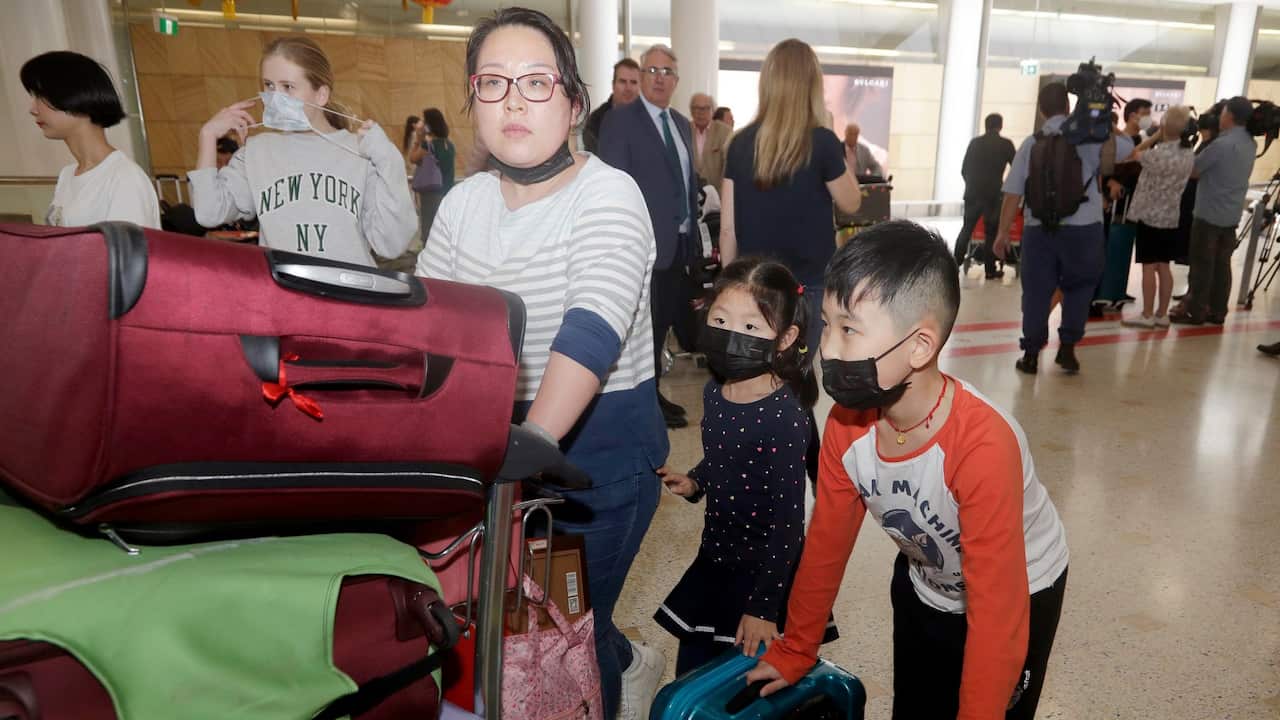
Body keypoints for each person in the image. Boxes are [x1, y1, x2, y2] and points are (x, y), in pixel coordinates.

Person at [413, 9, 668, 720]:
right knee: (504, 618)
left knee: (565, 633)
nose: (515, 99)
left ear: (575, 103)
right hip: (491, 449)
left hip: (591, 458)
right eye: (492, 83)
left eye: (536, 81)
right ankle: (623, 650)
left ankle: (617, 669)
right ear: (472, 102)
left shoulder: (607, 193)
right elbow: (428, 318)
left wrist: (533, 443)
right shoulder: (463, 204)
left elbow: (593, 326)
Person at [746, 221, 1070, 720]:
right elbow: (827, 543)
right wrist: (797, 648)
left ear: (921, 346)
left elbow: (997, 613)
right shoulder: (847, 426)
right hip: (928, 579)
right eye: (827, 324)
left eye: (849, 329)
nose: (828, 349)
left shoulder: (983, 447)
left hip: (1020, 589)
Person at [656, 258, 834, 676]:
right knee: (697, 676)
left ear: (786, 338)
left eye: (751, 328)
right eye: (721, 319)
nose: (732, 335)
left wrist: (763, 608)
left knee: (744, 686)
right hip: (716, 556)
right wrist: (697, 480)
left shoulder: (784, 416)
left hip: (762, 574)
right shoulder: (715, 392)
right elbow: (728, 455)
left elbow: (790, 523)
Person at [718, 38, 862, 485]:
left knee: (763, 376)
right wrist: (846, 153)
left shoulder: (741, 144)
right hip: (808, 289)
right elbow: (853, 203)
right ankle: (807, 467)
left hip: (756, 289)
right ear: (811, 85)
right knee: (795, 382)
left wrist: (728, 290)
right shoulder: (821, 142)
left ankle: (768, 461)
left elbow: (728, 228)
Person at [188, 36, 416, 267]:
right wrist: (207, 136)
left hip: (349, 295)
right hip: (285, 297)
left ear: (321, 95)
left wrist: (389, 160)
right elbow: (209, 213)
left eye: (288, 87)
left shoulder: (361, 152)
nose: (276, 98)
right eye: (269, 85)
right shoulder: (256, 152)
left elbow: (392, 244)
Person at [598, 44, 700, 430]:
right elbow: (614, 185)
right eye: (652, 70)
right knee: (643, 330)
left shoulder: (681, 122)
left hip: (679, 248)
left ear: (676, 80)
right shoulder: (620, 121)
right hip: (643, 247)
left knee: (662, 329)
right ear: (641, 76)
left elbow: (688, 183)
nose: (659, 78)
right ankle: (644, 402)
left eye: (667, 72)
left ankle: (654, 393)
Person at [994, 82, 1105, 376]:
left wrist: (1002, 233)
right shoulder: (1087, 139)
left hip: (1039, 230)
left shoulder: (1032, 143)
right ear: (1068, 107)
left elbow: (1013, 194)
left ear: (1042, 111)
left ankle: (1031, 354)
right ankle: (1067, 350)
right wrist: (1099, 115)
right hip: (1084, 228)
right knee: (1079, 288)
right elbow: (1110, 163)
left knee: (1036, 291)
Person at [21, 51, 161, 229]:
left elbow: (126, 254)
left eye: (40, 96)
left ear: (75, 94)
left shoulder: (123, 178)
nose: (32, 109)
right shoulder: (67, 175)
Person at [1170, 96, 1257, 325]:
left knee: (1201, 265)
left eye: (1223, 112)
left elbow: (1194, 170)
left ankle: (1195, 312)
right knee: (1222, 265)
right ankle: (1218, 312)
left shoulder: (1222, 144)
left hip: (1208, 214)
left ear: (1229, 116)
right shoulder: (1250, 142)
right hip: (1231, 214)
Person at [1120, 105, 1195, 329]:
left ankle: (1146, 314)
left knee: (1148, 267)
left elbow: (1130, 155)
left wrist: (1154, 136)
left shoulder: (1156, 154)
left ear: (1164, 126)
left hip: (1150, 216)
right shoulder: (1188, 153)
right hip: (1171, 216)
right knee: (1164, 266)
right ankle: (1162, 315)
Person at [955, 113, 1017, 279]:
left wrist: (972, 185)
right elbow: (1017, 169)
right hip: (993, 196)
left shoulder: (974, 143)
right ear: (1000, 126)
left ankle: (954, 265)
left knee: (966, 229)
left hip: (973, 194)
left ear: (986, 125)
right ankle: (990, 270)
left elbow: (964, 169)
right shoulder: (1005, 144)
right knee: (991, 233)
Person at [408, 108, 456, 242]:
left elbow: (412, 158)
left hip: (431, 194)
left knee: (429, 230)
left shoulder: (428, 146)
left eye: (423, 120)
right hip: (447, 192)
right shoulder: (449, 145)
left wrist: (418, 139)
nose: (421, 124)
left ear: (429, 124)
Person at [583, 58, 641, 153]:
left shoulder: (649, 117)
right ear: (613, 85)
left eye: (633, 82)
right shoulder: (596, 121)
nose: (628, 88)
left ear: (640, 86)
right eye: (622, 81)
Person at [690, 92, 732, 191]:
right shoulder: (684, 129)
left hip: (717, 196)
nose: (700, 112)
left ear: (713, 111)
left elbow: (729, 168)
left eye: (705, 108)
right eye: (696, 108)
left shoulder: (725, 132)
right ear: (691, 111)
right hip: (691, 195)